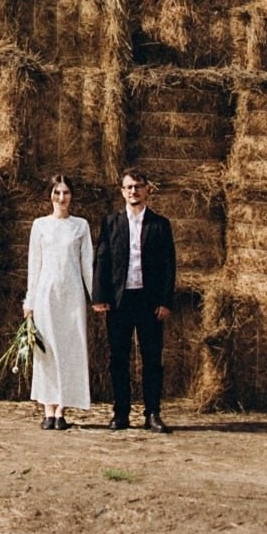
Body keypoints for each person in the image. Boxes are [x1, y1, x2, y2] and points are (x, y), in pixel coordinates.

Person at [92, 167, 176, 433]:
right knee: (118, 358)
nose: (134, 191)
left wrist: (165, 301)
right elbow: (102, 260)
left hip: (149, 301)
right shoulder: (111, 222)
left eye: (138, 186)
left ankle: (152, 413)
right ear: (122, 191)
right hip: (120, 301)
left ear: (147, 190)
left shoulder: (160, 224)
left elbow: (169, 265)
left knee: (152, 359)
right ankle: (121, 414)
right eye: (129, 187)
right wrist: (100, 296)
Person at [23, 173, 94, 430]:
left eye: (65, 193)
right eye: (57, 192)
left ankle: (62, 409)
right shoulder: (40, 225)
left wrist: (95, 297)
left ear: (71, 196)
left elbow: (87, 265)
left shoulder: (80, 226)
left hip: (72, 297)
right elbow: (34, 265)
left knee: (70, 350)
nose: (61, 198)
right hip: (46, 296)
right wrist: (29, 300)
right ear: (50, 195)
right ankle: (48, 409)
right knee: (47, 352)